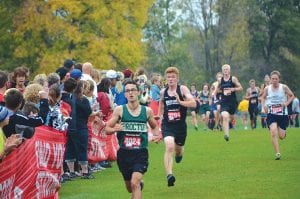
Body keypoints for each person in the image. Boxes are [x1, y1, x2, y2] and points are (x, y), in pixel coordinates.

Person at [105, 80, 160, 199]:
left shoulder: (147, 111)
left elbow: (155, 127)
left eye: (133, 90)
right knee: (130, 187)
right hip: (124, 154)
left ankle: (137, 184)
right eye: (128, 91)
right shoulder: (119, 110)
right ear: (125, 94)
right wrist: (115, 129)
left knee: (134, 183)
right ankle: (138, 185)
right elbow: (107, 129)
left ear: (138, 92)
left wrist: (157, 136)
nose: (130, 93)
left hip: (140, 153)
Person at [157, 66, 196, 187]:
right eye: (168, 77)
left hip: (180, 126)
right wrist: (159, 115)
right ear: (166, 78)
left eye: (173, 77)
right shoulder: (163, 91)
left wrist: (180, 102)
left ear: (177, 78)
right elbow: (161, 102)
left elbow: (193, 103)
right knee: (169, 146)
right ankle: (169, 175)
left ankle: (179, 155)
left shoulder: (182, 89)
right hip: (168, 124)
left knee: (178, 150)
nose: (171, 79)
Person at [261, 70, 294, 160]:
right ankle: (277, 153)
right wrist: (264, 107)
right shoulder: (267, 88)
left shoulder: (284, 87)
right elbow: (263, 97)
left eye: (276, 79)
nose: (274, 80)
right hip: (271, 113)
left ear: (279, 79)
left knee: (281, 136)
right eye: (272, 79)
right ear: (270, 79)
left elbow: (291, 95)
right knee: (273, 131)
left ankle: (283, 133)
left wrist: (286, 103)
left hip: (282, 114)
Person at [212, 64, 243, 141]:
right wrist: (214, 93)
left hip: (232, 102)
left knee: (231, 117)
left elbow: (241, 88)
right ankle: (226, 134)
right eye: (224, 70)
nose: (225, 71)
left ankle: (230, 122)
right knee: (225, 116)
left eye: (227, 69)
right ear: (222, 71)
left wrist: (233, 89)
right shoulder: (220, 80)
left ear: (229, 70)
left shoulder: (233, 79)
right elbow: (216, 88)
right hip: (224, 102)